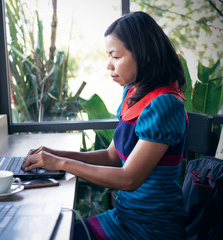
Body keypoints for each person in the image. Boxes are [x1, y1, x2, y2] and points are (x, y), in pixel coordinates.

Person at [22, 11, 188, 240]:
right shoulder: (133, 94)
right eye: (108, 56)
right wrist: (53, 154)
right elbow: (112, 155)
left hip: (151, 229)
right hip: (124, 217)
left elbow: (129, 179)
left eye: (116, 56)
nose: (109, 65)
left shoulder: (165, 104)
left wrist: (61, 163)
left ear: (145, 55)